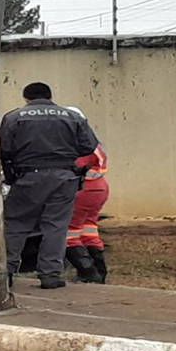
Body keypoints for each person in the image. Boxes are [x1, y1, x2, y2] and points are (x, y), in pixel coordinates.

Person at [0, 83, 98, 289]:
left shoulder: (14, 117)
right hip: (64, 177)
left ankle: (5, 272)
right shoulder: (72, 117)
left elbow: (4, 148)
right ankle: (51, 275)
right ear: (50, 96)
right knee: (56, 226)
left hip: (28, 177)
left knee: (16, 224)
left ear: (26, 98)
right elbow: (88, 145)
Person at [64, 106, 109, 284]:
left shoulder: (74, 143)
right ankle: (100, 271)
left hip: (80, 189)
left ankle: (87, 272)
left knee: (68, 232)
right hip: (99, 188)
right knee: (89, 229)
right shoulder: (94, 143)